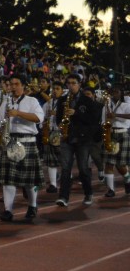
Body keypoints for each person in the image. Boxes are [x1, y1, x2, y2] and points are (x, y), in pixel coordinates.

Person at [0, 75, 44, 221]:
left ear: (23, 86)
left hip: (27, 141)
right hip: (10, 141)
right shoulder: (6, 101)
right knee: (8, 179)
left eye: (16, 84)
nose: (13, 87)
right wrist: (2, 127)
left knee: (29, 180)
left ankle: (32, 206)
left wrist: (18, 113)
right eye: (11, 84)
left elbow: (39, 118)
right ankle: (8, 210)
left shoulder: (32, 101)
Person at [56, 74, 101, 207]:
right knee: (65, 169)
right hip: (67, 137)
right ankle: (63, 197)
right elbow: (58, 118)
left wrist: (76, 113)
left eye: (73, 83)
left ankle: (88, 193)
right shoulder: (62, 100)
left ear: (79, 84)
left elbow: (93, 120)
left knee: (83, 168)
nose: (71, 86)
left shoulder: (87, 100)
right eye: (68, 83)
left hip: (82, 139)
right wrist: (61, 124)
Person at [103, 85, 130, 197]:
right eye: (113, 92)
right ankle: (111, 190)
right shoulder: (107, 105)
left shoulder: (126, 104)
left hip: (123, 134)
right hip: (111, 134)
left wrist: (116, 115)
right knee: (109, 163)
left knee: (120, 165)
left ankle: (127, 178)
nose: (114, 93)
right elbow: (103, 120)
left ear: (121, 93)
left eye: (117, 91)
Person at [43, 81, 64, 194]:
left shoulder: (65, 102)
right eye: (53, 89)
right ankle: (53, 185)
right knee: (51, 161)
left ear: (62, 91)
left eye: (57, 89)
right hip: (51, 133)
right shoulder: (48, 103)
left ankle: (68, 179)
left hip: (62, 133)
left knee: (64, 160)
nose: (55, 91)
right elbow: (42, 116)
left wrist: (57, 114)